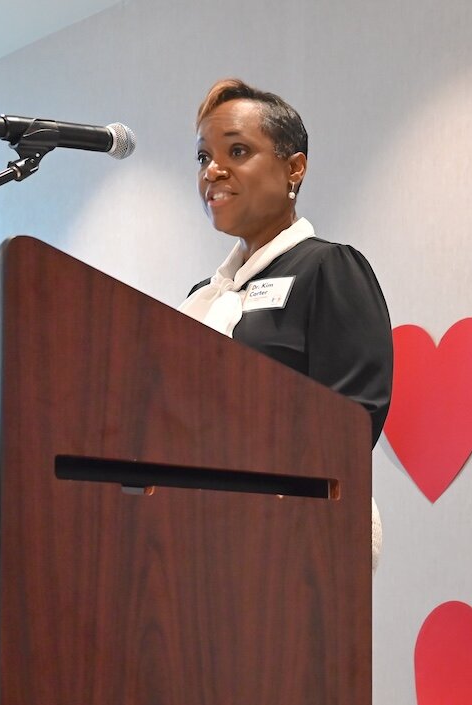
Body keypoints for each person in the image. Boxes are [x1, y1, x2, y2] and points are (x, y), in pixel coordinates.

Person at [180, 79, 393, 564]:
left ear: (293, 167)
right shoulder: (202, 300)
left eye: (237, 151)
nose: (213, 170)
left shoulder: (327, 268)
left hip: (296, 539)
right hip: (192, 531)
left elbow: (353, 418)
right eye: (202, 157)